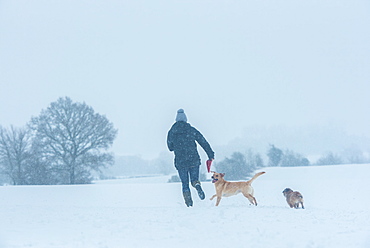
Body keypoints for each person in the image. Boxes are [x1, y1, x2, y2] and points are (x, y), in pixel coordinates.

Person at [167, 109, 215, 207]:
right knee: (194, 179)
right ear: (185, 119)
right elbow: (203, 141)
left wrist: (177, 145)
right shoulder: (191, 129)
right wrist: (210, 154)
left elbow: (170, 147)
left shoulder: (172, 132)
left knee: (185, 183)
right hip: (193, 159)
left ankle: (189, 203)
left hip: (180, 162)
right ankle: (197, 185)